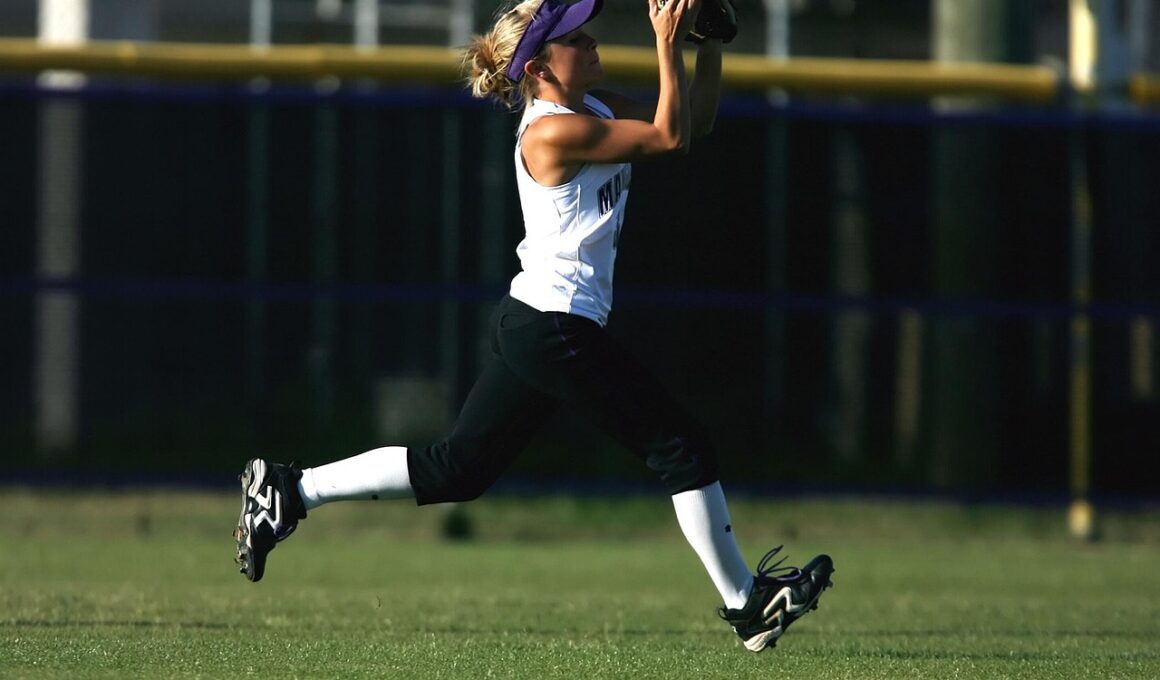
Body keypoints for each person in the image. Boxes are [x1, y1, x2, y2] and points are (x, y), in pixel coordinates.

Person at [232, 0, 833, 653]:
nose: (592, 40)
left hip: (539, 324)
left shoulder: (592, 106)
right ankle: (748, 605)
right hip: (554, 327)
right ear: (540, 67)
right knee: (681, 447)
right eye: (575, 37)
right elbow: (667, 138)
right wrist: (666, 42)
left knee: (457, 471)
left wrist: (706, 44)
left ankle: (292, 490)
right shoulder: (550, 133)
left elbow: (693, 120)